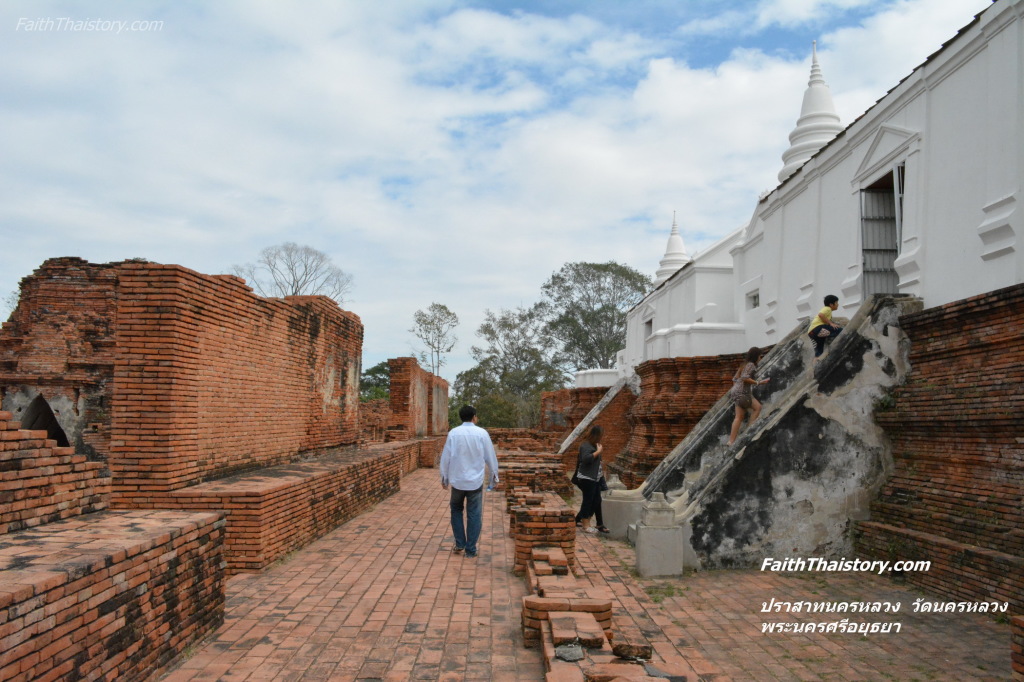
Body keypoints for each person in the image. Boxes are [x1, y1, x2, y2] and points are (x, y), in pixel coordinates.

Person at [440, 405, 499, 558]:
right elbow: (490, 457)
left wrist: (444, 477)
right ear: (474, 417)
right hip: (475, 482)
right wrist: (494, 476)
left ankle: (460, 543)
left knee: (456, 510)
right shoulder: (481, 433)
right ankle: (471, 549)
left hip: (458, 480)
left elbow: (446, 457)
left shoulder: (454, 433)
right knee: (474, 514)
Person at [728, 347, 770, 445]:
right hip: (743, 392)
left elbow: (734, 379)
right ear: (756, 356)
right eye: (760, 356)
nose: (760, 358)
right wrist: (758, 382)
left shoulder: (744, 365)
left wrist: (736, 389)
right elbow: (745, 377)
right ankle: (748, 431)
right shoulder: (751, 365)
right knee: (757, 407)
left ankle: (731, 441)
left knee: (739, 417)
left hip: (736, 392)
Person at [574, 425, 609, 534]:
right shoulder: (586, 445)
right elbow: (586, 459)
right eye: (601, 435)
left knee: (597, 500)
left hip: (596, 478)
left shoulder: (594, 445)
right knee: (588, 501)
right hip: (587, 478)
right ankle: (586, 525)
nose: (602, 437)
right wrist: (598, 452)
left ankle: (592, 522)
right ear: (596, 435)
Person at [808, 294, 843, 361]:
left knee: (819, 349)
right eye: (836, 303)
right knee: (840, 330)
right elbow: (821, 315)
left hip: (811, 332)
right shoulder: (828, 309)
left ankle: (816, 361)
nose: (838, 304)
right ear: (831, 304)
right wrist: (831, 323)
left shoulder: (827, 310)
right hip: (817, 328)